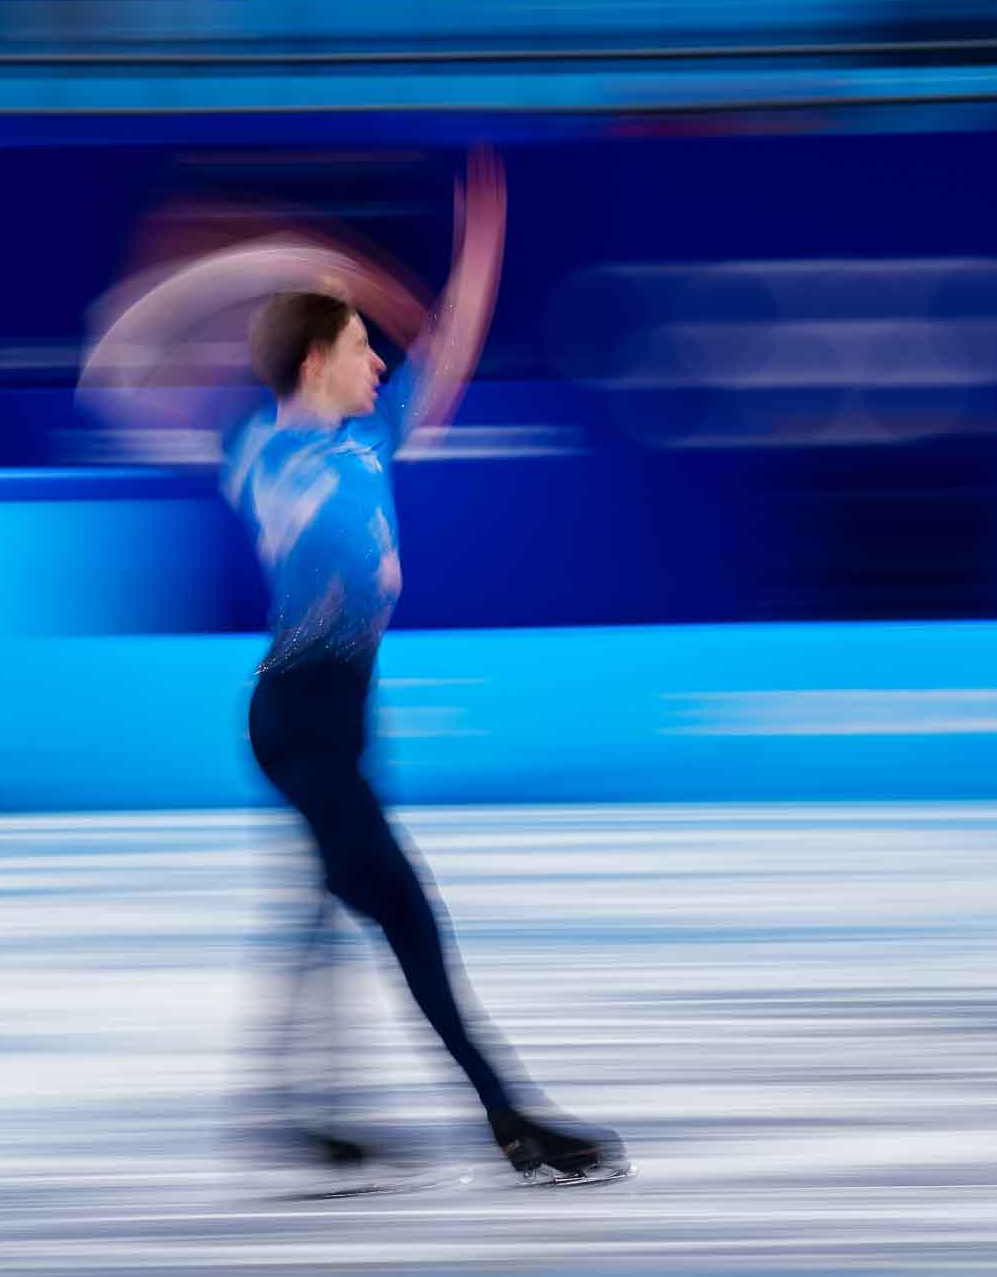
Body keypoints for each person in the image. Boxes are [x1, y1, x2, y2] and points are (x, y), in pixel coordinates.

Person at [82, 147, 626, 1184]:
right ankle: (510, 1117)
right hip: (298, 719)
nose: (380, 359)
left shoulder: (371, 436)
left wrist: (479, 247)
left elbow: (451, 346)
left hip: (340, 717)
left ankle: (297, 1112)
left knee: (328, 905)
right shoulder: (261, 449)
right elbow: (120, 359)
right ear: (313, 361)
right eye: (361, 346)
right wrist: (268, 267)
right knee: (403, 909)